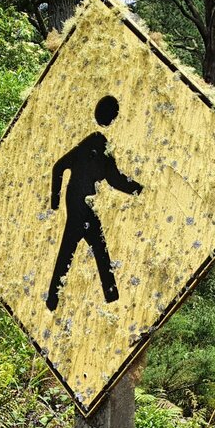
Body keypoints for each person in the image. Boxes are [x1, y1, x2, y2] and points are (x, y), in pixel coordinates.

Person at [46, 95, 143, 311]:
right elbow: (114, 179)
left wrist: (139, 189)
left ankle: (107, 298)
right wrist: (141, 190)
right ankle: (108, 297)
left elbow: (113, 179)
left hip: (79, 203)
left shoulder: (96, 142)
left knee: (90, 248)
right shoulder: (97, 143)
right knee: (80, 249)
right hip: (80, 205)